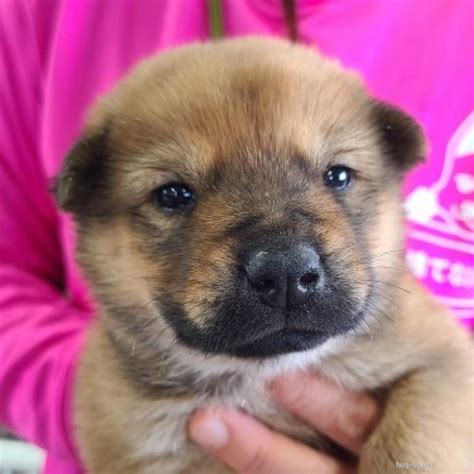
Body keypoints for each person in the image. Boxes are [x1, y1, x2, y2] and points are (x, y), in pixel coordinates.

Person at [0, 1, 472, 473]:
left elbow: (446, 371)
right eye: (174, 195)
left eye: (338, 176)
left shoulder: (412, 338)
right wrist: (69, 391)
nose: (288, 263)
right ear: (89, 206)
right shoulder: (42, 13)